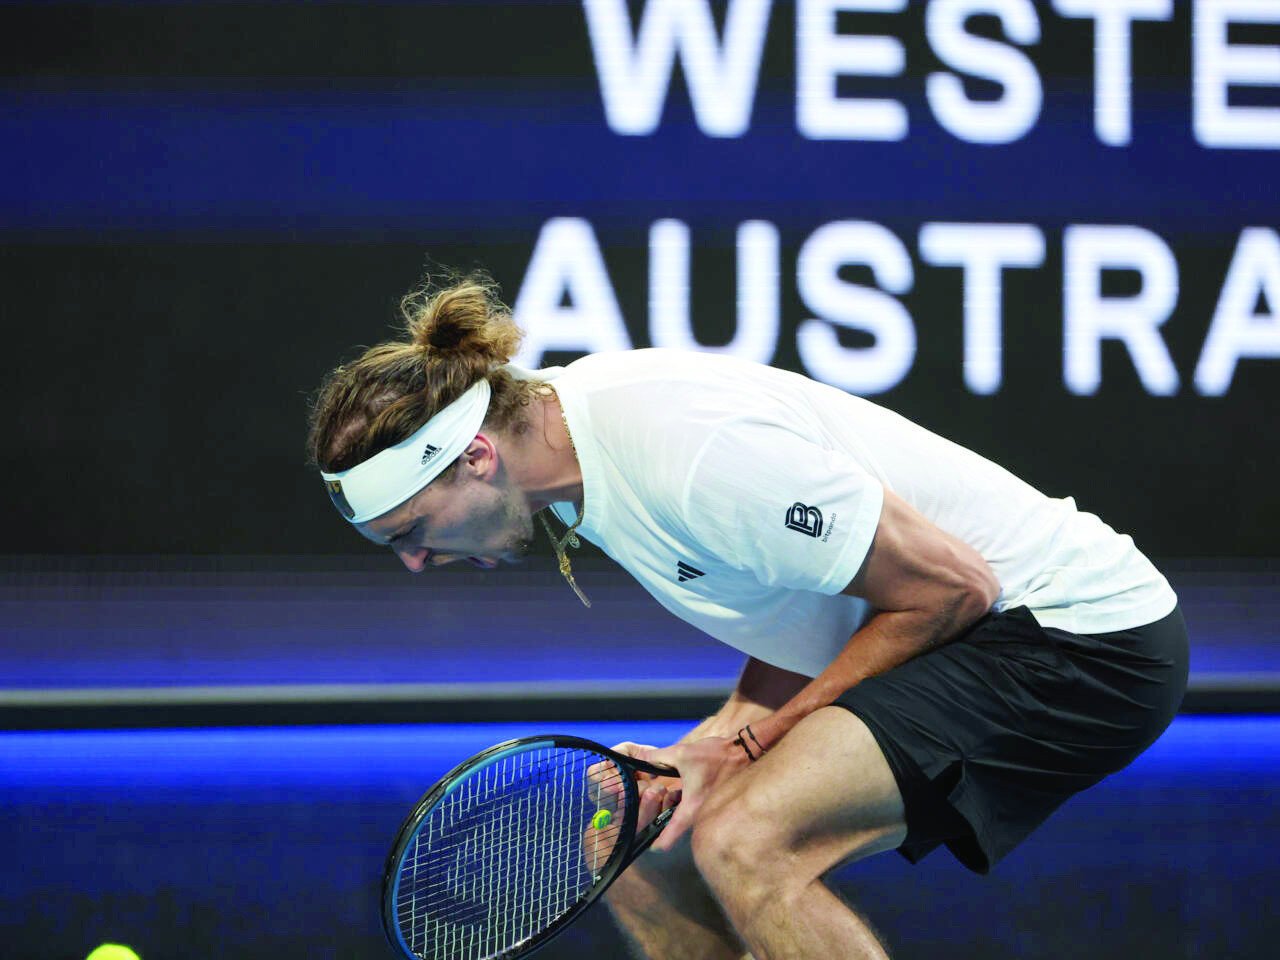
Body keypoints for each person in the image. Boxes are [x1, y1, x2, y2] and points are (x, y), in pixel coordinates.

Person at [307, 272, 1188, 960]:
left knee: (745, 839)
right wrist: (719, 734)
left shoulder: (689, 454)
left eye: (413, 530)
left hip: (1079, 637)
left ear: (475, 456)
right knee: (646, 843)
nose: (418, 561)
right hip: (980, 629)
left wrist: (757, 746)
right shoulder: (575, 468)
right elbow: (814, 594)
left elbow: (951, 588)